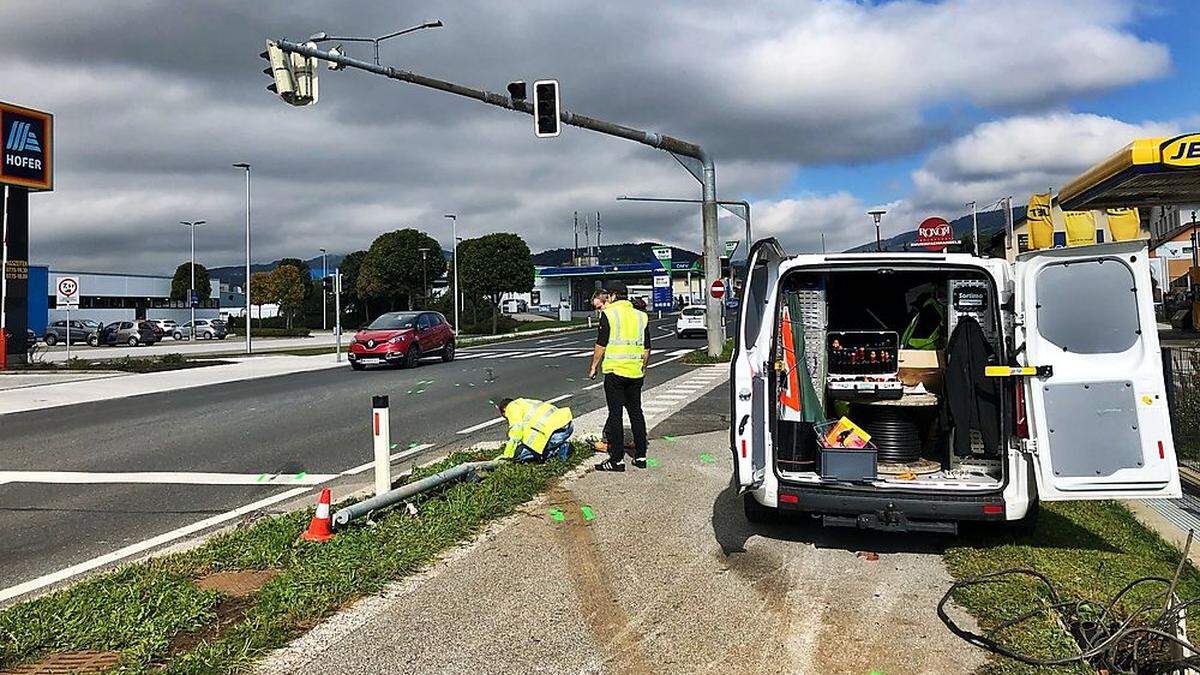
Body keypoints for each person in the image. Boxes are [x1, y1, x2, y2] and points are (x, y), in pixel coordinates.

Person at [588, 284, 651, 471]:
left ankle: (616, 460)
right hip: (635, 372)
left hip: (615, 372)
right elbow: (646, 348)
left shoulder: (609, 314)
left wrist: (593, 367)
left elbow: (601, 345)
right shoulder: (641, 316)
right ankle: (640, 456)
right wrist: (643, 368)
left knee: (615, 415)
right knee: (636, 413)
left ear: (613, 296)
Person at [496, 397, 574, 463]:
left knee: (519, 455)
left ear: (504, 410)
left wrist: (507, 455)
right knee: (533, 446)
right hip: (566, 425)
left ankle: (558, 449)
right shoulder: (524, 402)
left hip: (554, 433)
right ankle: (557, 447)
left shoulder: (511, 408)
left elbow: (516, 433)